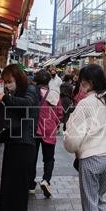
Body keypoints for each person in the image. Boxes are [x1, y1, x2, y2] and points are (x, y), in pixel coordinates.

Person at [64, 64, 106, 211]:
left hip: (92, 159)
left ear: (90, 82)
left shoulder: (86, 103)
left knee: (90, 204)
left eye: (82, 81)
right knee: (100, 200)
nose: (80, 84)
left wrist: (66, 135)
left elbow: (72, 142)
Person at [0, 64, 39, 211]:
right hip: (13, 144)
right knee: (8, 187)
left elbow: (27, 105)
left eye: (9, 80)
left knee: (17, 190)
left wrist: (4, 97)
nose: (7, 84)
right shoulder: (16, 93)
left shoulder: (30, 90)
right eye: (5, 82)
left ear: (18, 77)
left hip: (24, 146)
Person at [30, 69, 63, 198]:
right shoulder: (54, 94)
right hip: (49, 129)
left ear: (36, 80)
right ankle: (46, 180)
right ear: (49, 80)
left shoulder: (31, 93)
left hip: (34, 129)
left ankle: (30, 185)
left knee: (32, 158)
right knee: (49, 158)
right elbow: (60, 113)